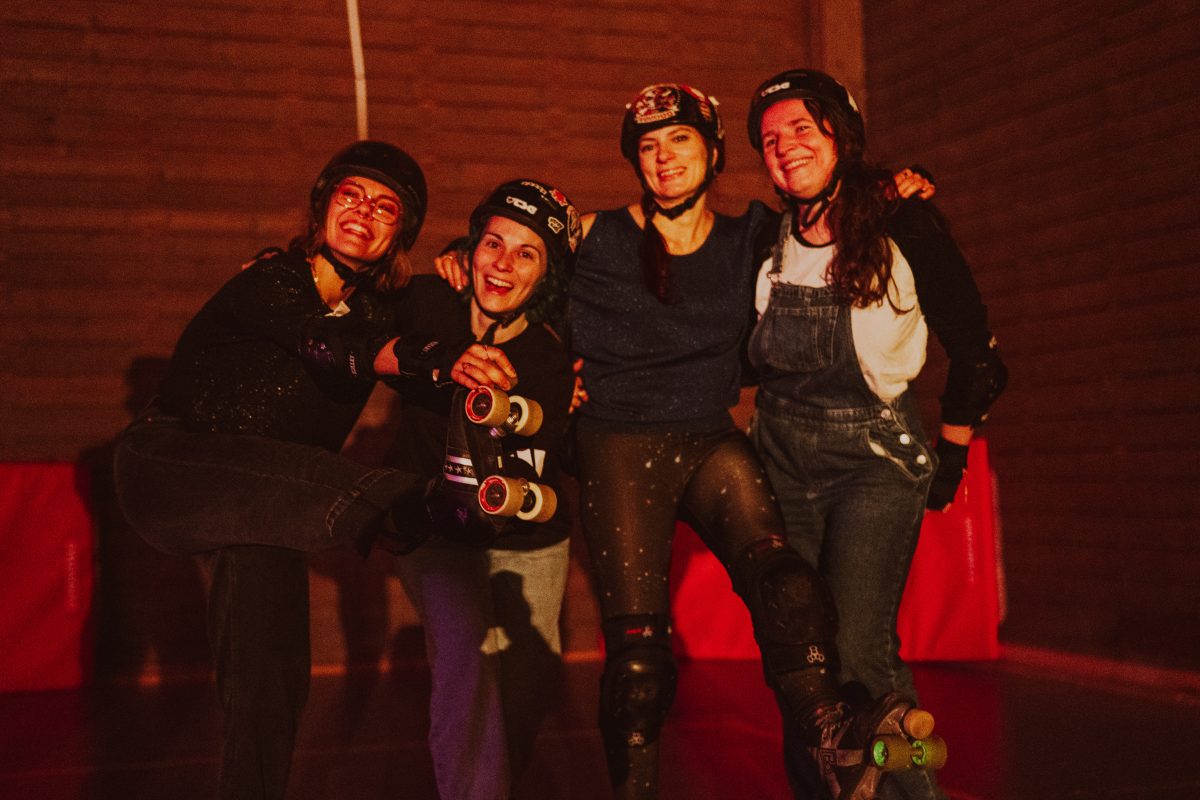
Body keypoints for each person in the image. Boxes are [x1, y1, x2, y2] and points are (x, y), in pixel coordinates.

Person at [112, 141, 518, 800]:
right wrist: (434, 360)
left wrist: (459, 258)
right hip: (170, 468)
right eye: (351, 195)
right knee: (304, 480)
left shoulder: (380, 308)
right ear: (323, 205)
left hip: (268, 505)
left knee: (269, 682)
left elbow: (475, 292)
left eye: (385, 208)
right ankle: (414, 506)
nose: (364, 212)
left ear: (399, 236)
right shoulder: (271, 280)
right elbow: (327, 344)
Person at [744, 69, 1008, 800]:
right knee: (800, 664)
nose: (785, 147)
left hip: (873, 458)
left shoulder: (904, 222)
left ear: (842, 134)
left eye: (802, 128)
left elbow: (979, 353)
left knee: (860, 654)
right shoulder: (766, 238)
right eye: (769, 138)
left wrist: (952, 451)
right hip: (779, 455)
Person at [384, 179, 579, 800]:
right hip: (435, 530)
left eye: (527, 254)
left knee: (522, 696)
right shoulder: (425, 303)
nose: (503, 263)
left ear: (545, 275)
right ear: (470, 248)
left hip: (528, 539)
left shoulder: (549, 358)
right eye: (494, 243)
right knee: (467, 663)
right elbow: (345, 323)